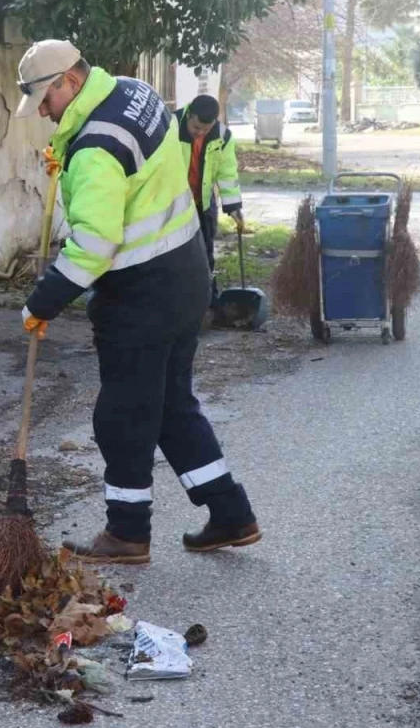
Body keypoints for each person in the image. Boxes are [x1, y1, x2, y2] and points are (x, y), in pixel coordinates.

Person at [15, 39, 261, 563]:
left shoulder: (93, 151)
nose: (41, 110)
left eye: (44, 98)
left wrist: (43, 302)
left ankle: (127, 534)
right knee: (172, 405)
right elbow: (143, 179)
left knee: (123, 416)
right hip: (188, 274)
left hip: (141, 295)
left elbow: (95, 246)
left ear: (71, 83)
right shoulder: (136, 93)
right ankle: (230, 513)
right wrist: (71, 153)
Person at [176, 94, 243, 310]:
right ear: (189, 115)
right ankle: (173, 304)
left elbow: (227, 172)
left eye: (206, 129)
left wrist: (233, 207)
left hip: (202, 204)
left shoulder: (222, 136)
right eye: (196, 127)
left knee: (205, 255)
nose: (200, 133)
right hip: (171, 205)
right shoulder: (169, 127)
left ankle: (206, 304)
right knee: (173, 256)